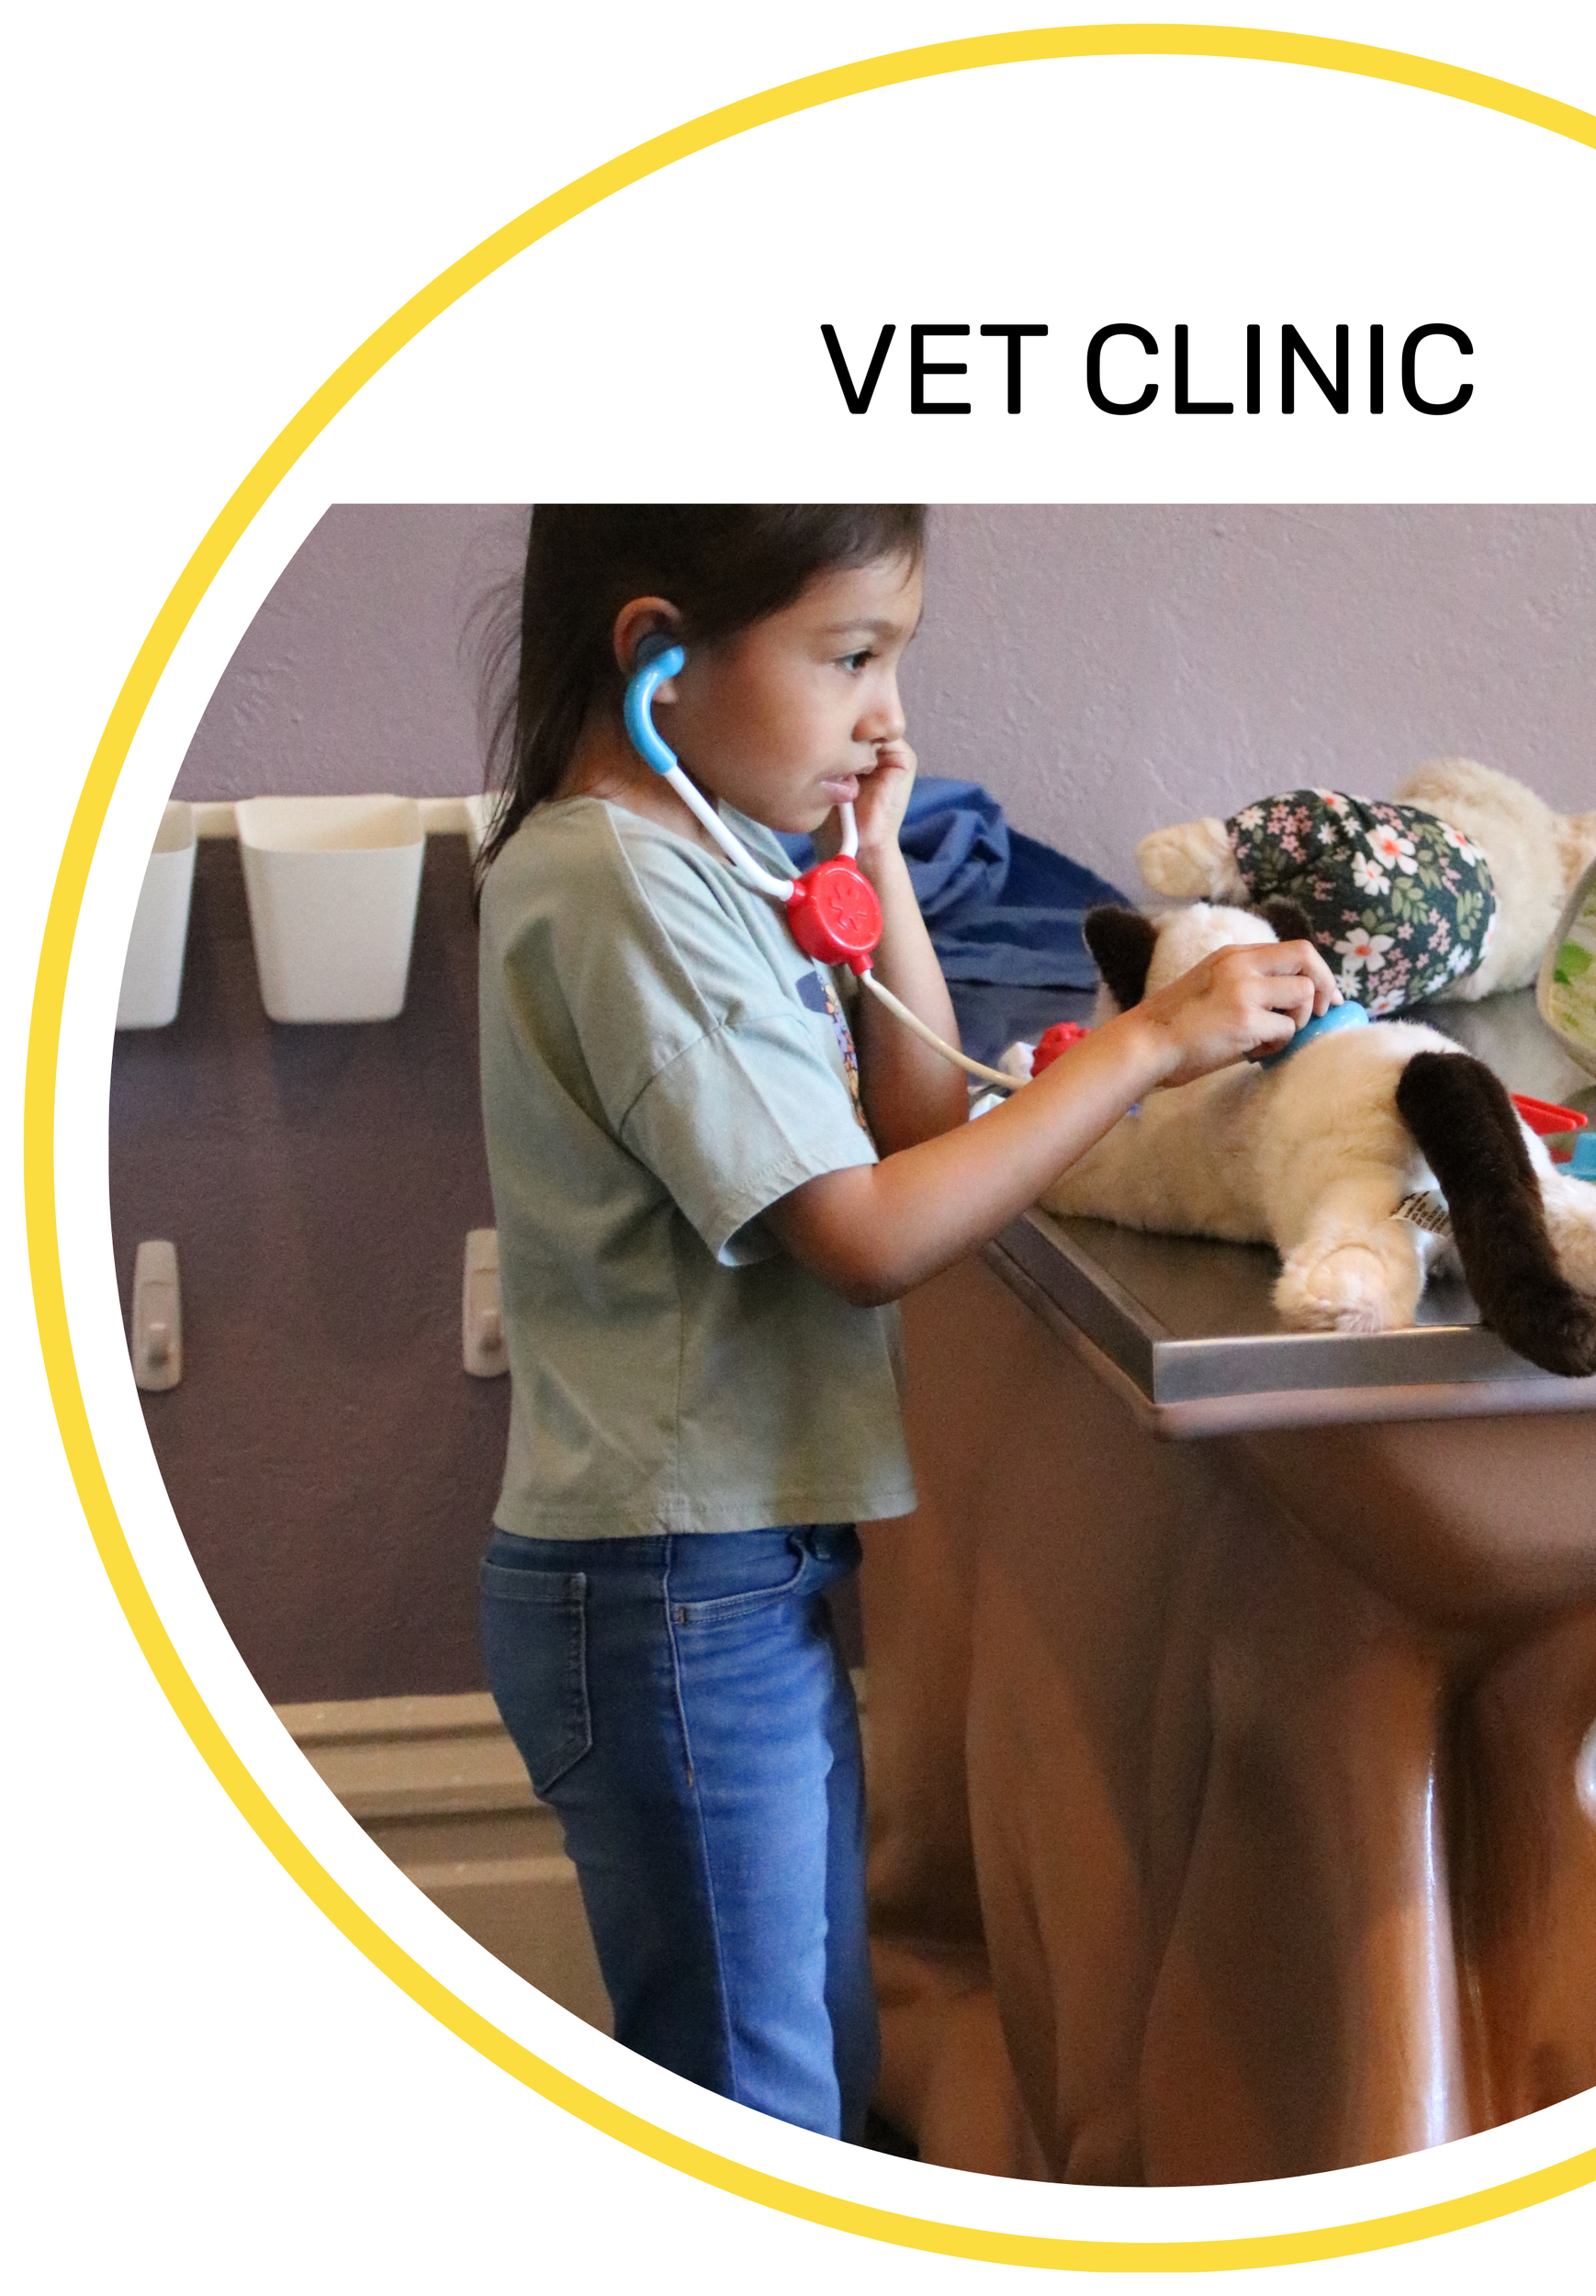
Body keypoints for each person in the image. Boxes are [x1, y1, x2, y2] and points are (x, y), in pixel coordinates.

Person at [472, 505, 1334, 2143]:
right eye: (851, 657)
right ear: (658, 651)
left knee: (817, 2059)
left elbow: (918, 1128)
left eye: (895, 662)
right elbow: (868, 1238)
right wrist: (1141, 1052)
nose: (888, 715)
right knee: (755, 2104)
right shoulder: (616, 885)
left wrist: (872, 869)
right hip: (665, 1591)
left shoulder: (713, 862)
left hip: (736, 1568)